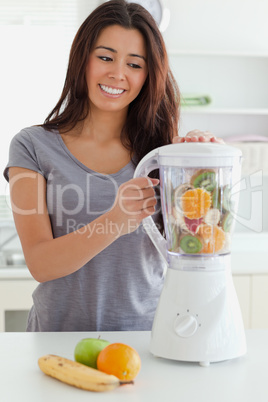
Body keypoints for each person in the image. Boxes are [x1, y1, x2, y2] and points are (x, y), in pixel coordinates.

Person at [3, 0, 223, 332]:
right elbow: (40, 263)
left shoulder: (164, 154)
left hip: (147, 344)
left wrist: (203, 169)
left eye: (134, 64)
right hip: (55, 345)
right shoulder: (32, 146)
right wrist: (117, 219)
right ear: (83, 60)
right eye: (105, 57)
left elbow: (196, 246)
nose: (117, 74)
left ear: (149, 74)